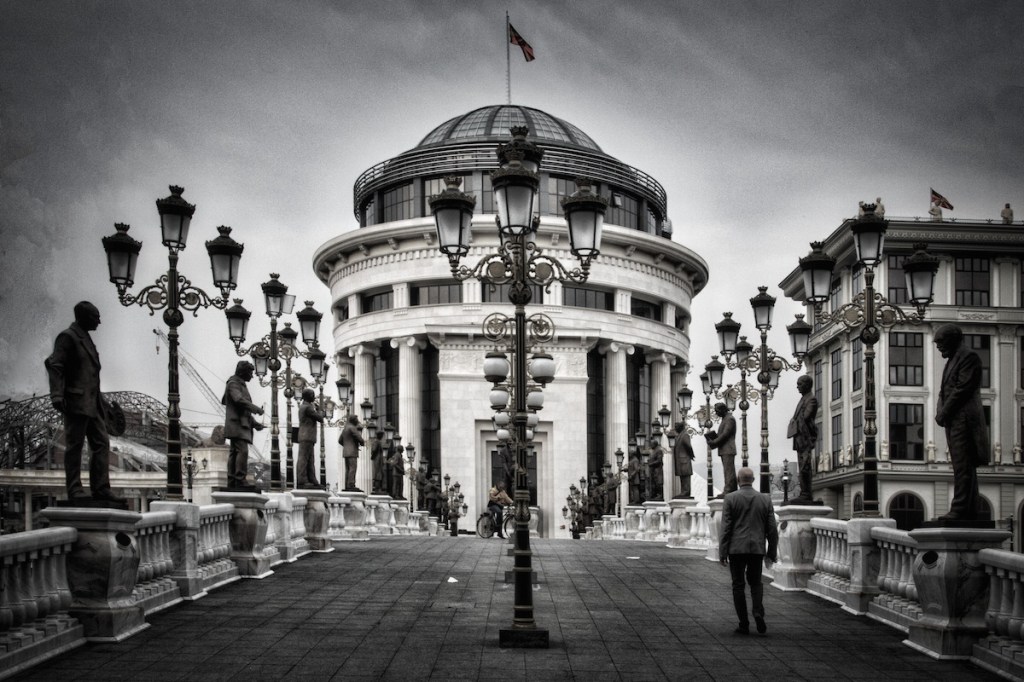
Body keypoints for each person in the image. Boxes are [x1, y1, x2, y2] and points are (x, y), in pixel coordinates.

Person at [45, 301, 120, 501]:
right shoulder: (68, 337)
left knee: (101, 443)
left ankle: (101, 488)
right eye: (96, 317)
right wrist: (57, 395)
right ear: (84, 317)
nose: (99, 322)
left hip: (93, 404)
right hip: (76, 401)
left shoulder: (85, 339)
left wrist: (103, 404)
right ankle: (74, 489)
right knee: (75, 446)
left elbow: (91, 377)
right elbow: (55, 365)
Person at [934, 324, 989, 521]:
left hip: (964, 419)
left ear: (953, 339)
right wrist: (940, 412)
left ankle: (960, 509)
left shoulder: (968, 357)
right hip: (954, 419)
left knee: (963, 465)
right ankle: (969, 509)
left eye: (941, 342)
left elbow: (962, 390)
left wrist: (944, 413)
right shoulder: (952, 360)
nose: (938, 346)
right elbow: (944, 391)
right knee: (962, 465)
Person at [720, 467, 778, 635]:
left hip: (736, 549)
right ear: (753, 480)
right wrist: (771, 552)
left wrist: (723, 551)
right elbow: (772, 529)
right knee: (756, 583)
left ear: (738, 480)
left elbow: (726, 528)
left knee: (738, 585)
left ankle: (744, 624)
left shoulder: (730, 498)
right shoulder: (765, 499)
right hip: (757, 549)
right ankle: (758, 611)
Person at [221, 360, 265, 489]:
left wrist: (255, 424)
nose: (252, 376)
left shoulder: (239, 384)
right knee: (242, 451)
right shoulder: (234, 383)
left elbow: (243, 411)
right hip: (237, 424)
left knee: (234, 452)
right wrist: (255, 408)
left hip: (239, 423)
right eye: (250, 373)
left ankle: (232, 480)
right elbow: (239, 400)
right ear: (243, 372)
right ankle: (240, 480)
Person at [787, 375, 819, 503]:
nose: (797, 387)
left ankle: (806, 494)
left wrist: (794, 421)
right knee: (802, 466)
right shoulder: (803, 399)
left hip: (806, 437)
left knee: (805, 466)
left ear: (807, 385)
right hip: (800, 438)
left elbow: (806, 417)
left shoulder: (811, 399)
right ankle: (804, 492)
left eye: (799, 384)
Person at [705, 403, 738, 496]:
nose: (716, 413)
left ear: (723, 409)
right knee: (728, 469)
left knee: (728, 470)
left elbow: (725, 434)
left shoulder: (729, 419)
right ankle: (732, 489)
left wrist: (714, 442)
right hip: (725, 449)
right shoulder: (725, 419)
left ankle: (729, 490)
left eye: (717, 411)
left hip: (728, 449)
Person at [295, 387, 324, 488]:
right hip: (306, 436)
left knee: (310, 459)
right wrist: (319, 409)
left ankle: (312, 479)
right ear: (308, 396)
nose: (314, 397)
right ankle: (303, 479)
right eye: (312, 395)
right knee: (304, 459)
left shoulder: (305, 406)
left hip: (306, 436)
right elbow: (320, 418)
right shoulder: (307, 407)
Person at [339, 415, 364, 491]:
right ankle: (351, 484)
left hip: (346, 452)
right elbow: (359, 437)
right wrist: (362, 442)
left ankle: (347, 485)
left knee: (348, 469)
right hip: (352, 451)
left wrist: (346, 445)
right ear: (354, 420)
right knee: (353, 468)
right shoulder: (352, 427)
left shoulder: (345, 428)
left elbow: (340, 440)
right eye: (356, 419)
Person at [673, 423, 695, 498]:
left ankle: (686, 492)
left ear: (680, 427)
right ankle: (683, 491)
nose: (675, 429)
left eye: (676, 427)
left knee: (686, 476)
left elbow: (688, 446)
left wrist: (691, 455)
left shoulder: (685, 435)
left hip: (684, 460)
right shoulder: (679, 436)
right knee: (682, 476)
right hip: (681, 461)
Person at [370, 428, 385, 494]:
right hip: (377, 460)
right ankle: (377, 489)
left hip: (378, 459)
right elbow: (374, 449)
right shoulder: (377, 441)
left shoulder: (377, 441)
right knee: (377, 474)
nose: (382, 437)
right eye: (381, 435)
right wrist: (373, 456)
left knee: (379, 474)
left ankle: (378, 488)